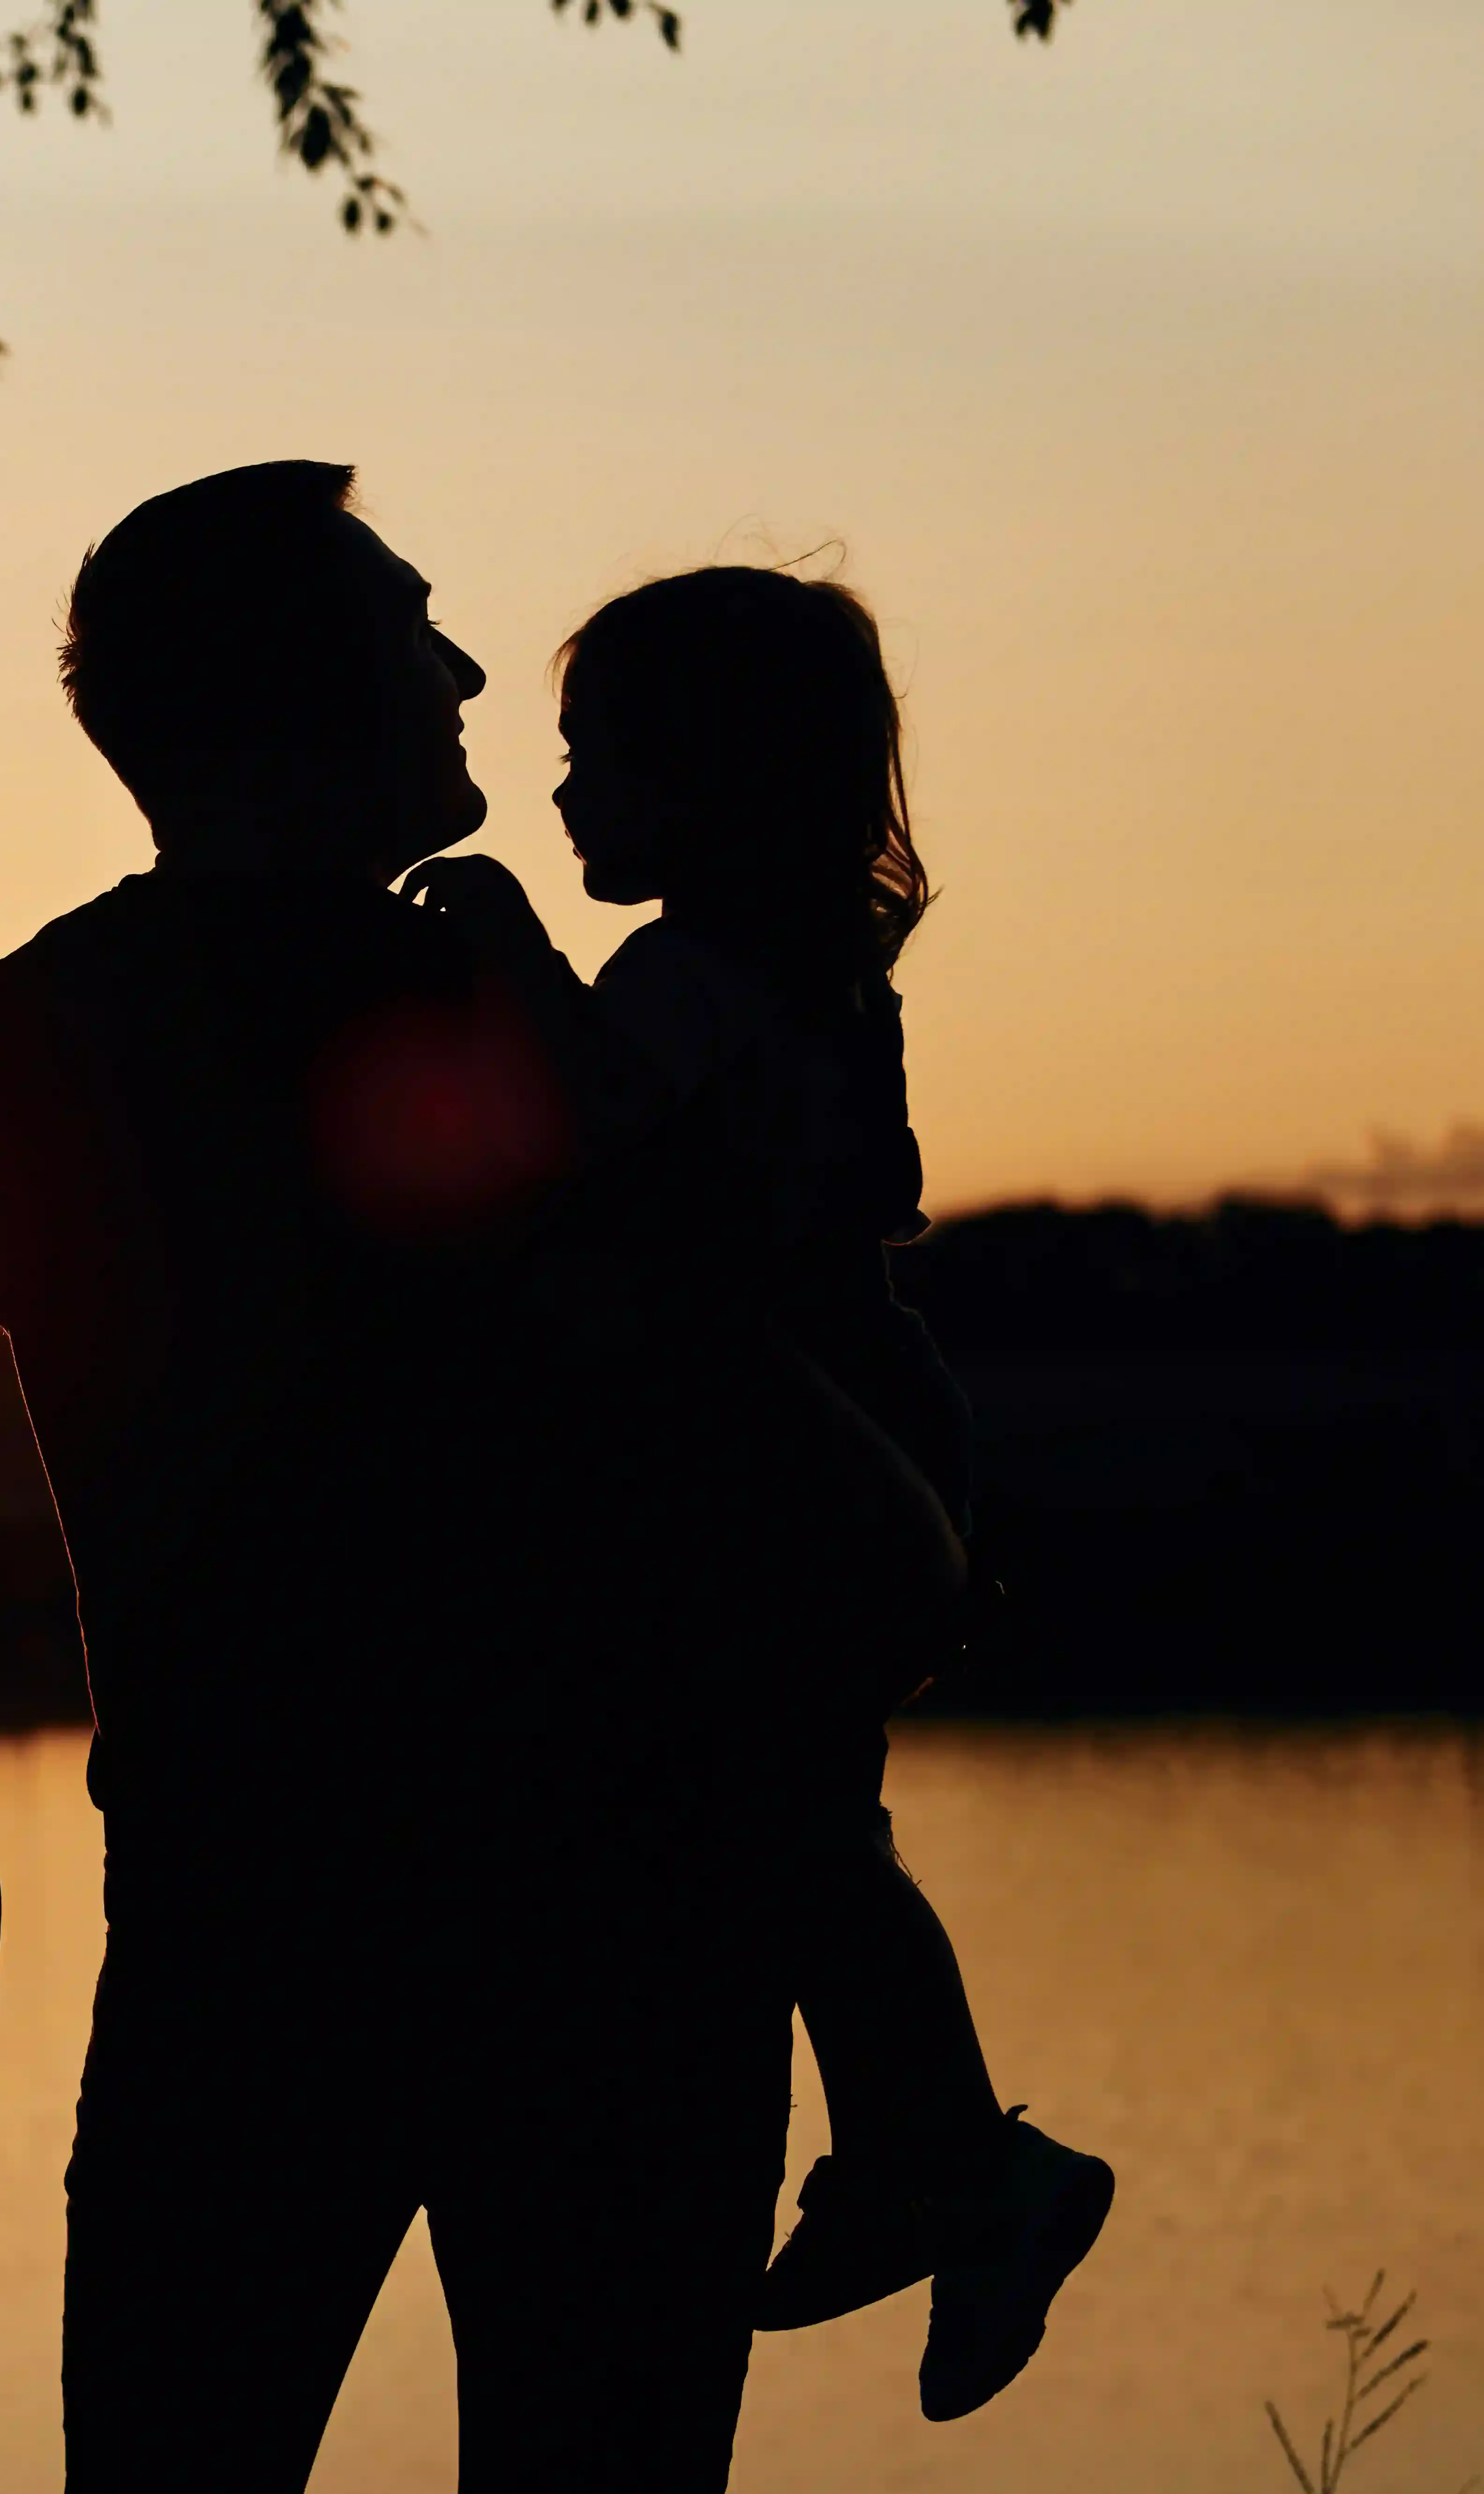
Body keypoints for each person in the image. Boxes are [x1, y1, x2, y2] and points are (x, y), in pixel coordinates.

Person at [0, 464, 973, 2493]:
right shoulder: (594, 1036)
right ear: (284, 694)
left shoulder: (32, 1040)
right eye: (407, 628)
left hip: (287, 1959)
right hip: (583, 1959)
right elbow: (870, 1470)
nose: (457, 667)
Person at [408, 563, 1114, 2421]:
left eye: (596, 762)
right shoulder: (792, 973)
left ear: (708, 777)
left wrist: (492, 941)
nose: (556, 801)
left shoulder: (696, 980)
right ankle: (926, 2154)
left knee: (788, 1822)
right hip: (826, 1427)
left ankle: (962, 2161)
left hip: (785, 1449)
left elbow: (584, 1121)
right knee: (799, 1821)